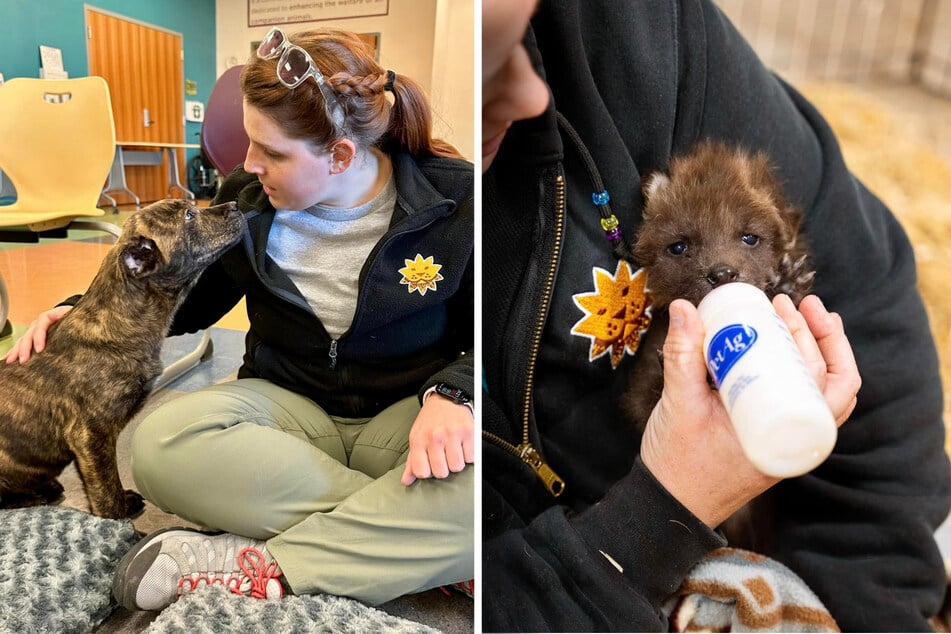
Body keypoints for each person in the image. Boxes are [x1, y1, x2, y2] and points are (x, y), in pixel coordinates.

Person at [481, 0, 951, 632]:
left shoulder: (638, 33)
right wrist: (662, 508)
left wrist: (872, 604)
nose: (531, 92)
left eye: (524, 38)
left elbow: (871, 301)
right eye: (481, 68)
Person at [9, 26, 474, 609]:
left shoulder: (459, 200)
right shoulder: (251, 200)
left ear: (340, 155)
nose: (248, 164)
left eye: (272, 152)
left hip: (406, 420)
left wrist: (457, 394)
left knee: (492, 486)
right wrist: (77, 312)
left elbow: (498, 335)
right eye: (251, 143)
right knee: (157, 447)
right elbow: (187, 298)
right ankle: (416, 540)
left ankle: (254, 561)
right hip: (284, 412)